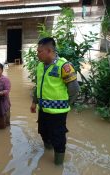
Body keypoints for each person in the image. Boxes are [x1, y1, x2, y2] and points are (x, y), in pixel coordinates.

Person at [30, 37, 79, 165]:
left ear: (49, 51)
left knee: (58, 138)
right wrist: (34, 102)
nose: (37, 54)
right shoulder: (40, 66)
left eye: (40, 51)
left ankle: (58, 165)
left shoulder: (64, 66)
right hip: (43, 109)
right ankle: (48, 150)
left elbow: (74, 89)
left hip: (58, 113)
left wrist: (66, 105)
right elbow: (38, 85)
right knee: (43, 132)